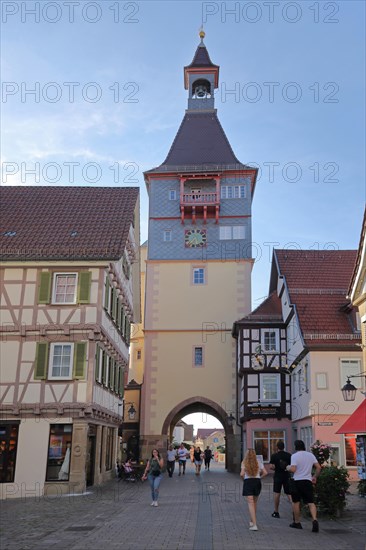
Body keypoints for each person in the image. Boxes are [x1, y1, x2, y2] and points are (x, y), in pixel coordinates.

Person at [286, 440, 321, 532]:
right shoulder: (310, 455)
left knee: (296, 502)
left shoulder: (294, 456)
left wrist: (288, 467)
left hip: (297, 481)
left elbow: (293, 469)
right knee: (311, 502)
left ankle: (297, 522)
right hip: (308, 481)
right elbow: (318, 467)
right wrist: (315, 476)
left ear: (295, 447)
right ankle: (314, 520)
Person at [240, 449, 268, 531]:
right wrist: (260, 478)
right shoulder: (258, 462)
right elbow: (265, 472)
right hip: (257, 482)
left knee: (250, 503)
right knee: (255, 503)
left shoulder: (244, 462)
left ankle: (255, 525)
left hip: (248, 482)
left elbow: (241, 474)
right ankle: (252, 521)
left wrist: (243, 479)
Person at [269, 441, 292, 518]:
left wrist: (276, 467)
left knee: (277, 493)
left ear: (277, 447)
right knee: (289, 493)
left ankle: (276, 511)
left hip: (278, 476)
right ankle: (294, 510)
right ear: (284, 447)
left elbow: (271, 466)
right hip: (286, 476)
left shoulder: (274, 456)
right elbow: (291, 466)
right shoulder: (289, 455)